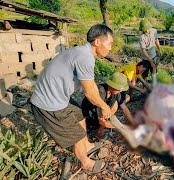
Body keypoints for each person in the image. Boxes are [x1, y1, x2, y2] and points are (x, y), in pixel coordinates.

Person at [30, 24, 115, 173]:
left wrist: (101, 104)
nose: (110, 48)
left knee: (78, 113)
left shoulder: (84, 53)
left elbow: (91, 85)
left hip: (57, 98)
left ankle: (87, 145)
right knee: (76, 133)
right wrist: (104, 106)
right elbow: (89, 93)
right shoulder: (84, 57)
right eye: (109, 43)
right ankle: (85, 162)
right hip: (48, 104)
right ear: (97, 42)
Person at [81, 72, 133, 139]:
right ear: (113, 86)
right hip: (90, 114)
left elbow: (124, 108)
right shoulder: (101, 91)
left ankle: (99, 132)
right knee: (100, 122)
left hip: (100, 114)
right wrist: (119, 126)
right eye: (119, 89)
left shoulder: (116, 93)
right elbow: (102, 120)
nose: (120, 91)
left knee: (115, 105)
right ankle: (95, 132)